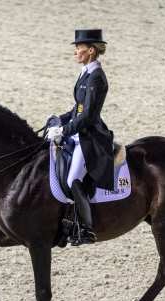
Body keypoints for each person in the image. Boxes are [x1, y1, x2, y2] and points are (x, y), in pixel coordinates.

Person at [46, 29, 114, 245]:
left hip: (90, 137)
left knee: (73, 179)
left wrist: (64, 131)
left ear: (91, 50)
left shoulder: (97, 78)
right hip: (79, 132)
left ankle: (85, 229)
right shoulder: (85, 73)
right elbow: (78, 107)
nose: (75, 52)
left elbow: (88, 116)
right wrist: (60, 119)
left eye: (79, 48)